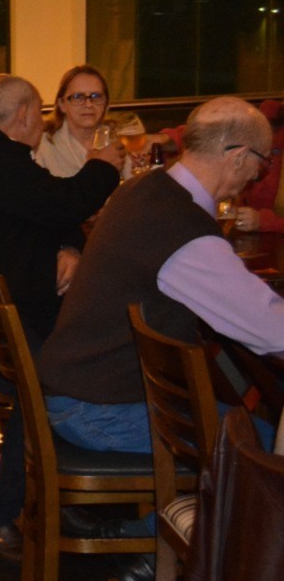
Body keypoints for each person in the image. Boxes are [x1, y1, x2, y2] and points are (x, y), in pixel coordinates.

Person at [0, 74, 122, 560]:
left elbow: (49, 209)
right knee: (43, 385)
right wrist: (102, 166)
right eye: (40, 113)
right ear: (26, 114)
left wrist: (69, 247)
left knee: (81, 359)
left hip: (0, 313)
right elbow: (63, 201)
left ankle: (57, 496)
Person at [41, 97, 284, 456]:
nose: (255, 177)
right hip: (97, 410)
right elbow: (271, 329)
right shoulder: (181, 227)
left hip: (77, 388)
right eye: (260, 166)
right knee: (264, 446)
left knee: (248, 422)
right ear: (238, 157)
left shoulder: (144, 189)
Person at [156, 99, 284, 234]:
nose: (254, 174)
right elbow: (217, 131)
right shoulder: (271, 118)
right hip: (225, 224)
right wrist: (167, 138)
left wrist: (266, 221)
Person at [34, 64, 113, 177]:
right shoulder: (43, 147)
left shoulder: (115, 141)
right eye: (78, 97)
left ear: (105, 103)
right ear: (62, 104)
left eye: (96, 96)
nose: (88, 104)